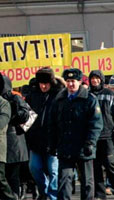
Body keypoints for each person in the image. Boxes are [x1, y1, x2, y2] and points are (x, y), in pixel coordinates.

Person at [49, 68, 103, 200]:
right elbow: (53, 124)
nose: (70, 84)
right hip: (65, 147)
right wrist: (52, 143)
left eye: (73, 81)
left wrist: (90, 143)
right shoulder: (59, 100)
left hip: (84, 148)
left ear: (79, 82)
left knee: (87, 182)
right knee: (64, 181)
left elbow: (96, 124)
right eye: (68, 81)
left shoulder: (89, 99)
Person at [25, 67, 65, 200]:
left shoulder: (59, 95)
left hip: (53, 139)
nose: (43, 86)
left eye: (45, 83)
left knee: (54, 170)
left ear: (51, 82)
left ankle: (52, 196)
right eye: (40, 83)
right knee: (34, 168)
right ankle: (44, 191)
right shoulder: (33, 95)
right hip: (35, 139)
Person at [88, 70, 114, 200]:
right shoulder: (87, 94)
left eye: (97, 78)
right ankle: (100, 195)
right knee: (95, 167)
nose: (95, 80)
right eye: (92, 78)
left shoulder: (109, 94)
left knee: (110, 165)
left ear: (102, 79)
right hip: (92, 138)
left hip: (108, 136)